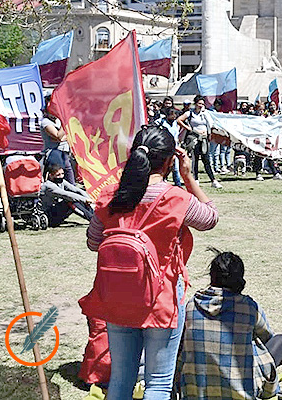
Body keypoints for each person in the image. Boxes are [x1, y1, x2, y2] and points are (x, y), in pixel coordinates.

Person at [79, 126, 219, 400]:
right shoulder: (176, 198)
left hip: (116, 295)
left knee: (121, 379)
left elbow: (94, 242)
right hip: (161, 297)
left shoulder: (111, 196)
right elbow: (210, 218)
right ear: (169, 161)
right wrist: (189, 176)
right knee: (158, 384)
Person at [182, 250, 282, 400]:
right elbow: (267, 338)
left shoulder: (191, 305)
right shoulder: (249, 307)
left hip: (196, 392)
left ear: (212, 276)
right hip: (241, 392)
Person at [177, 96, 223, 189]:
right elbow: (179, 120)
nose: (201, 106)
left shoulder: (205, 113)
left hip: (204, 138)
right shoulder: (190, 113)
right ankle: (196, 179)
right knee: (195, 159)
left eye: (202, 104)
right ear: (196, 103)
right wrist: (188, 128)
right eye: (199, 103)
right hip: (194, 138)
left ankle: (213, 180)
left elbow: (211, 124)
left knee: (206, 159)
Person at [41, 98, 76, 184]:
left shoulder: (57, 121)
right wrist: (65, 122)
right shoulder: (45, 122)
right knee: (60, 178)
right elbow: (59, 137)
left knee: (69, 177)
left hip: (65, 153)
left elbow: (69, 135)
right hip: (54, 154)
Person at [156, 107, 184, 187]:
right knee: (165, 166)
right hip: (165, 148)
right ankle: (162, 181)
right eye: (172, 115)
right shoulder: (160, 122)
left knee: (175, 168)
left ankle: (178, 184)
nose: (174, 116)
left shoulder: (175, 123)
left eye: (175, 114)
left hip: (175, 147)